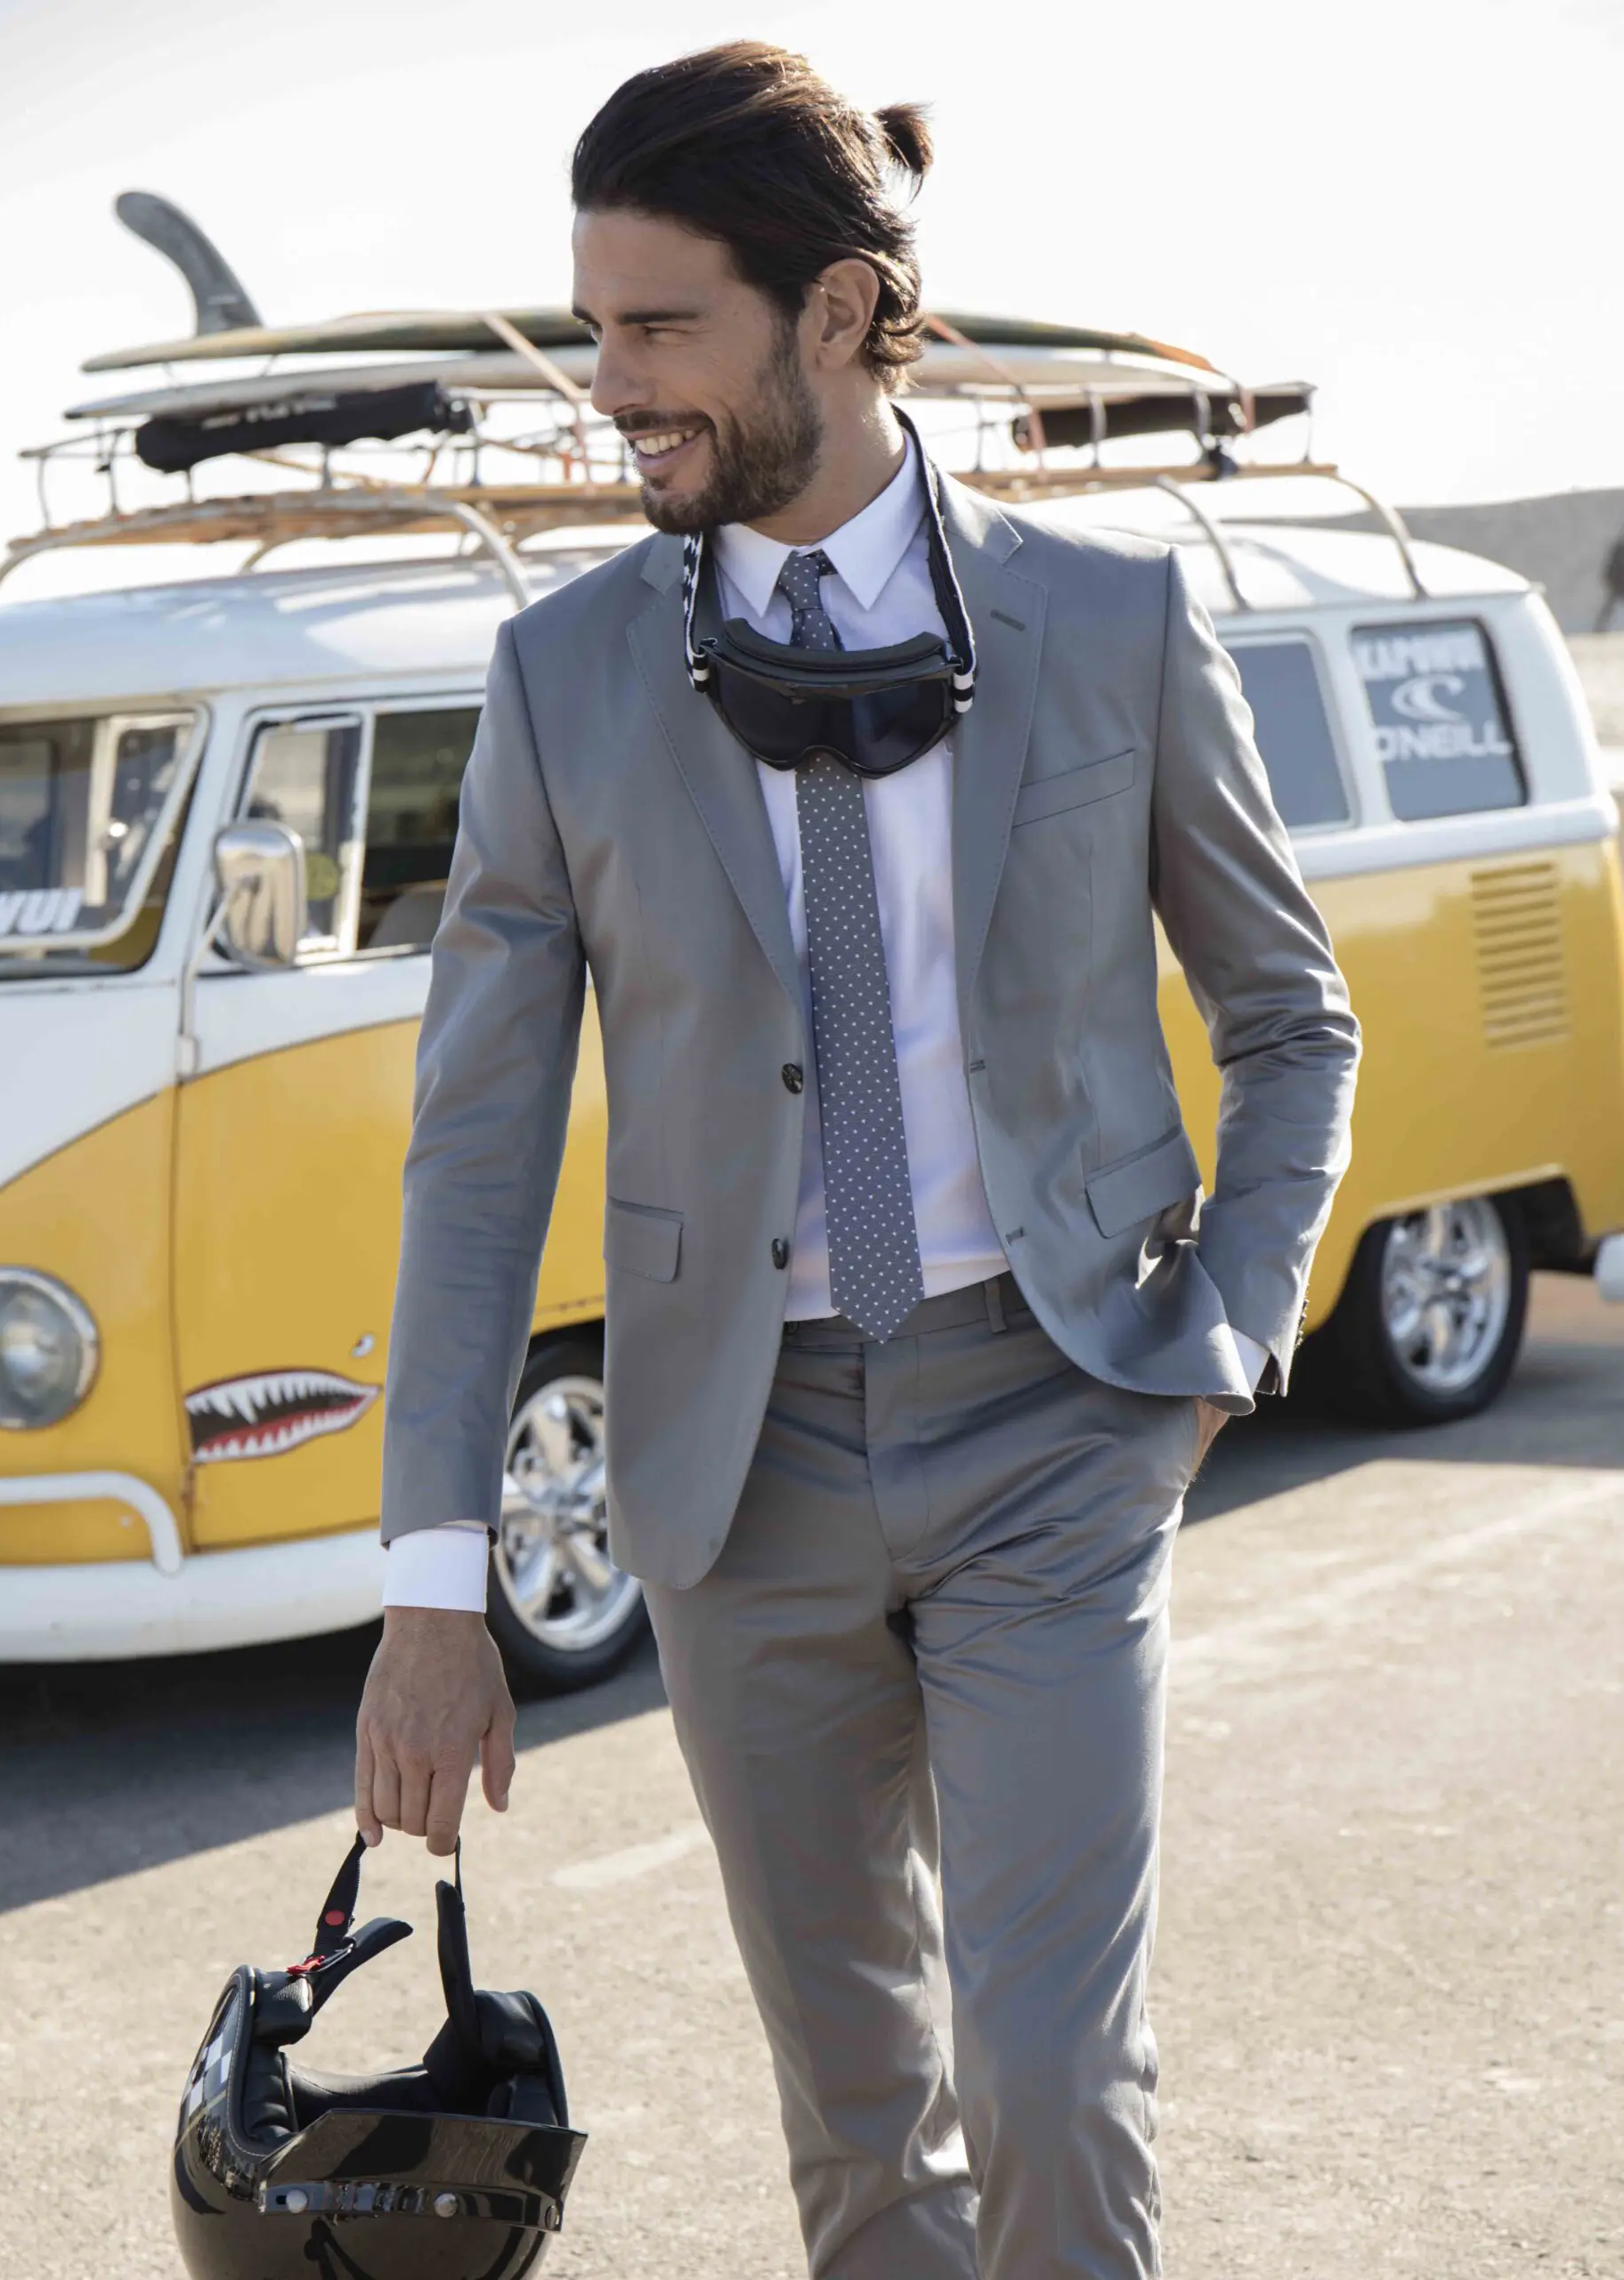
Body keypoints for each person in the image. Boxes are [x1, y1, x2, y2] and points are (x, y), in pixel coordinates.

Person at [354, 41, 1360, 2280]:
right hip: (736, 1469)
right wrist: (433, 1581)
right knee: (857, 2118)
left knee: (1046, 2074)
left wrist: (1218, 1332)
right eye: (592, 326)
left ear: (831, 311)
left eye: (656, 328)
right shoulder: (558, 677)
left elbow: (1292, 1016)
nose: (608, 386)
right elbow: (476, 1144)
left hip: (1054, 1414)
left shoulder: (1111, 623)